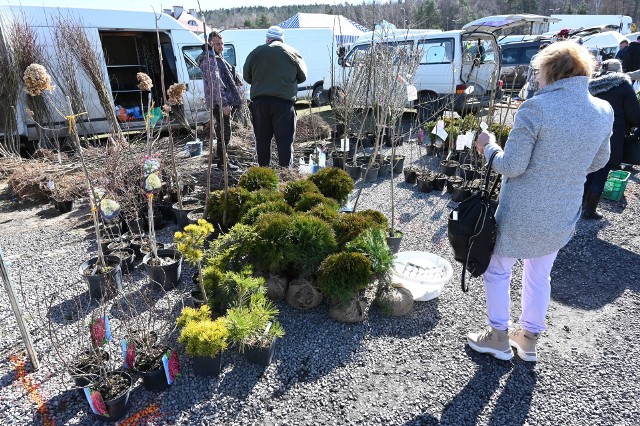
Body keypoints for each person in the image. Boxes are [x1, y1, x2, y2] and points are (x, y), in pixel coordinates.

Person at [468, 42, 613, 362]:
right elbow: (599, 160)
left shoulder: (536, 108)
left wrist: (488, 146)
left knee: (497, 270)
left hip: (522, 212)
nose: (536, 80)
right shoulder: (603, 110)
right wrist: (563, 170)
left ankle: (498, 337)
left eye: (538, 73)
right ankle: (529, 339)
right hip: (562, 210)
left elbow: (511, 167)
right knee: (539, 273)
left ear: (552, 73)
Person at [583, 59, 640, 219]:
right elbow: (635, 116)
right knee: (602, 171)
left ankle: (578, 207)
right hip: (612, 135)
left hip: (589, 134)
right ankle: (590, 210)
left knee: (587, 171)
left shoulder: (591, 85)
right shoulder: (623, 86)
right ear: (620, 70)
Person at [243, 26, 307, 167]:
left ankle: (264, 175)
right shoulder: (291, 52)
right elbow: (302, 76)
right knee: (284, 141)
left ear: (267, 38)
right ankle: (286, 175)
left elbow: (247, 77)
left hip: (259, 103)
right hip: (283, 103)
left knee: (262, 141)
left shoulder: (256, 52)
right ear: (281, 39)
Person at [200, 30, 243, 170]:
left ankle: (223, 160)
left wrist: (235, 78)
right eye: (217, 44)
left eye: (222, 43)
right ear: (210, 43)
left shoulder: (216, 57)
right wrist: (224, 103)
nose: (221, 46)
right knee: (224, 132)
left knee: (224, 131)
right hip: (219, 103)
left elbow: (224, 74)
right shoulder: (210, 59)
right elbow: (216, 84)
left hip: (220, 102)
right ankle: (222, 163)